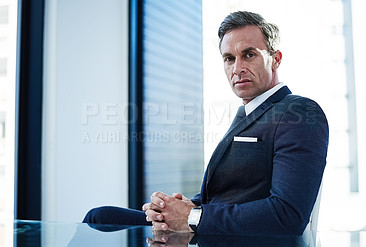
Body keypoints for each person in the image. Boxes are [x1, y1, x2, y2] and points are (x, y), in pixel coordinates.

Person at [83, 11, 329, 236]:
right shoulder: (249, 113)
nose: (237, 68)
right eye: (229, 58)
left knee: (100, 219)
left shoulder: (298, 111)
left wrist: (191, 216)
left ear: (275, 59)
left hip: (240, 238)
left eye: (249, 55)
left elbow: (287, 215)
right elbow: (230, 194)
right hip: (213, 227)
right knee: (101, 217)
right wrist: (177, 208)